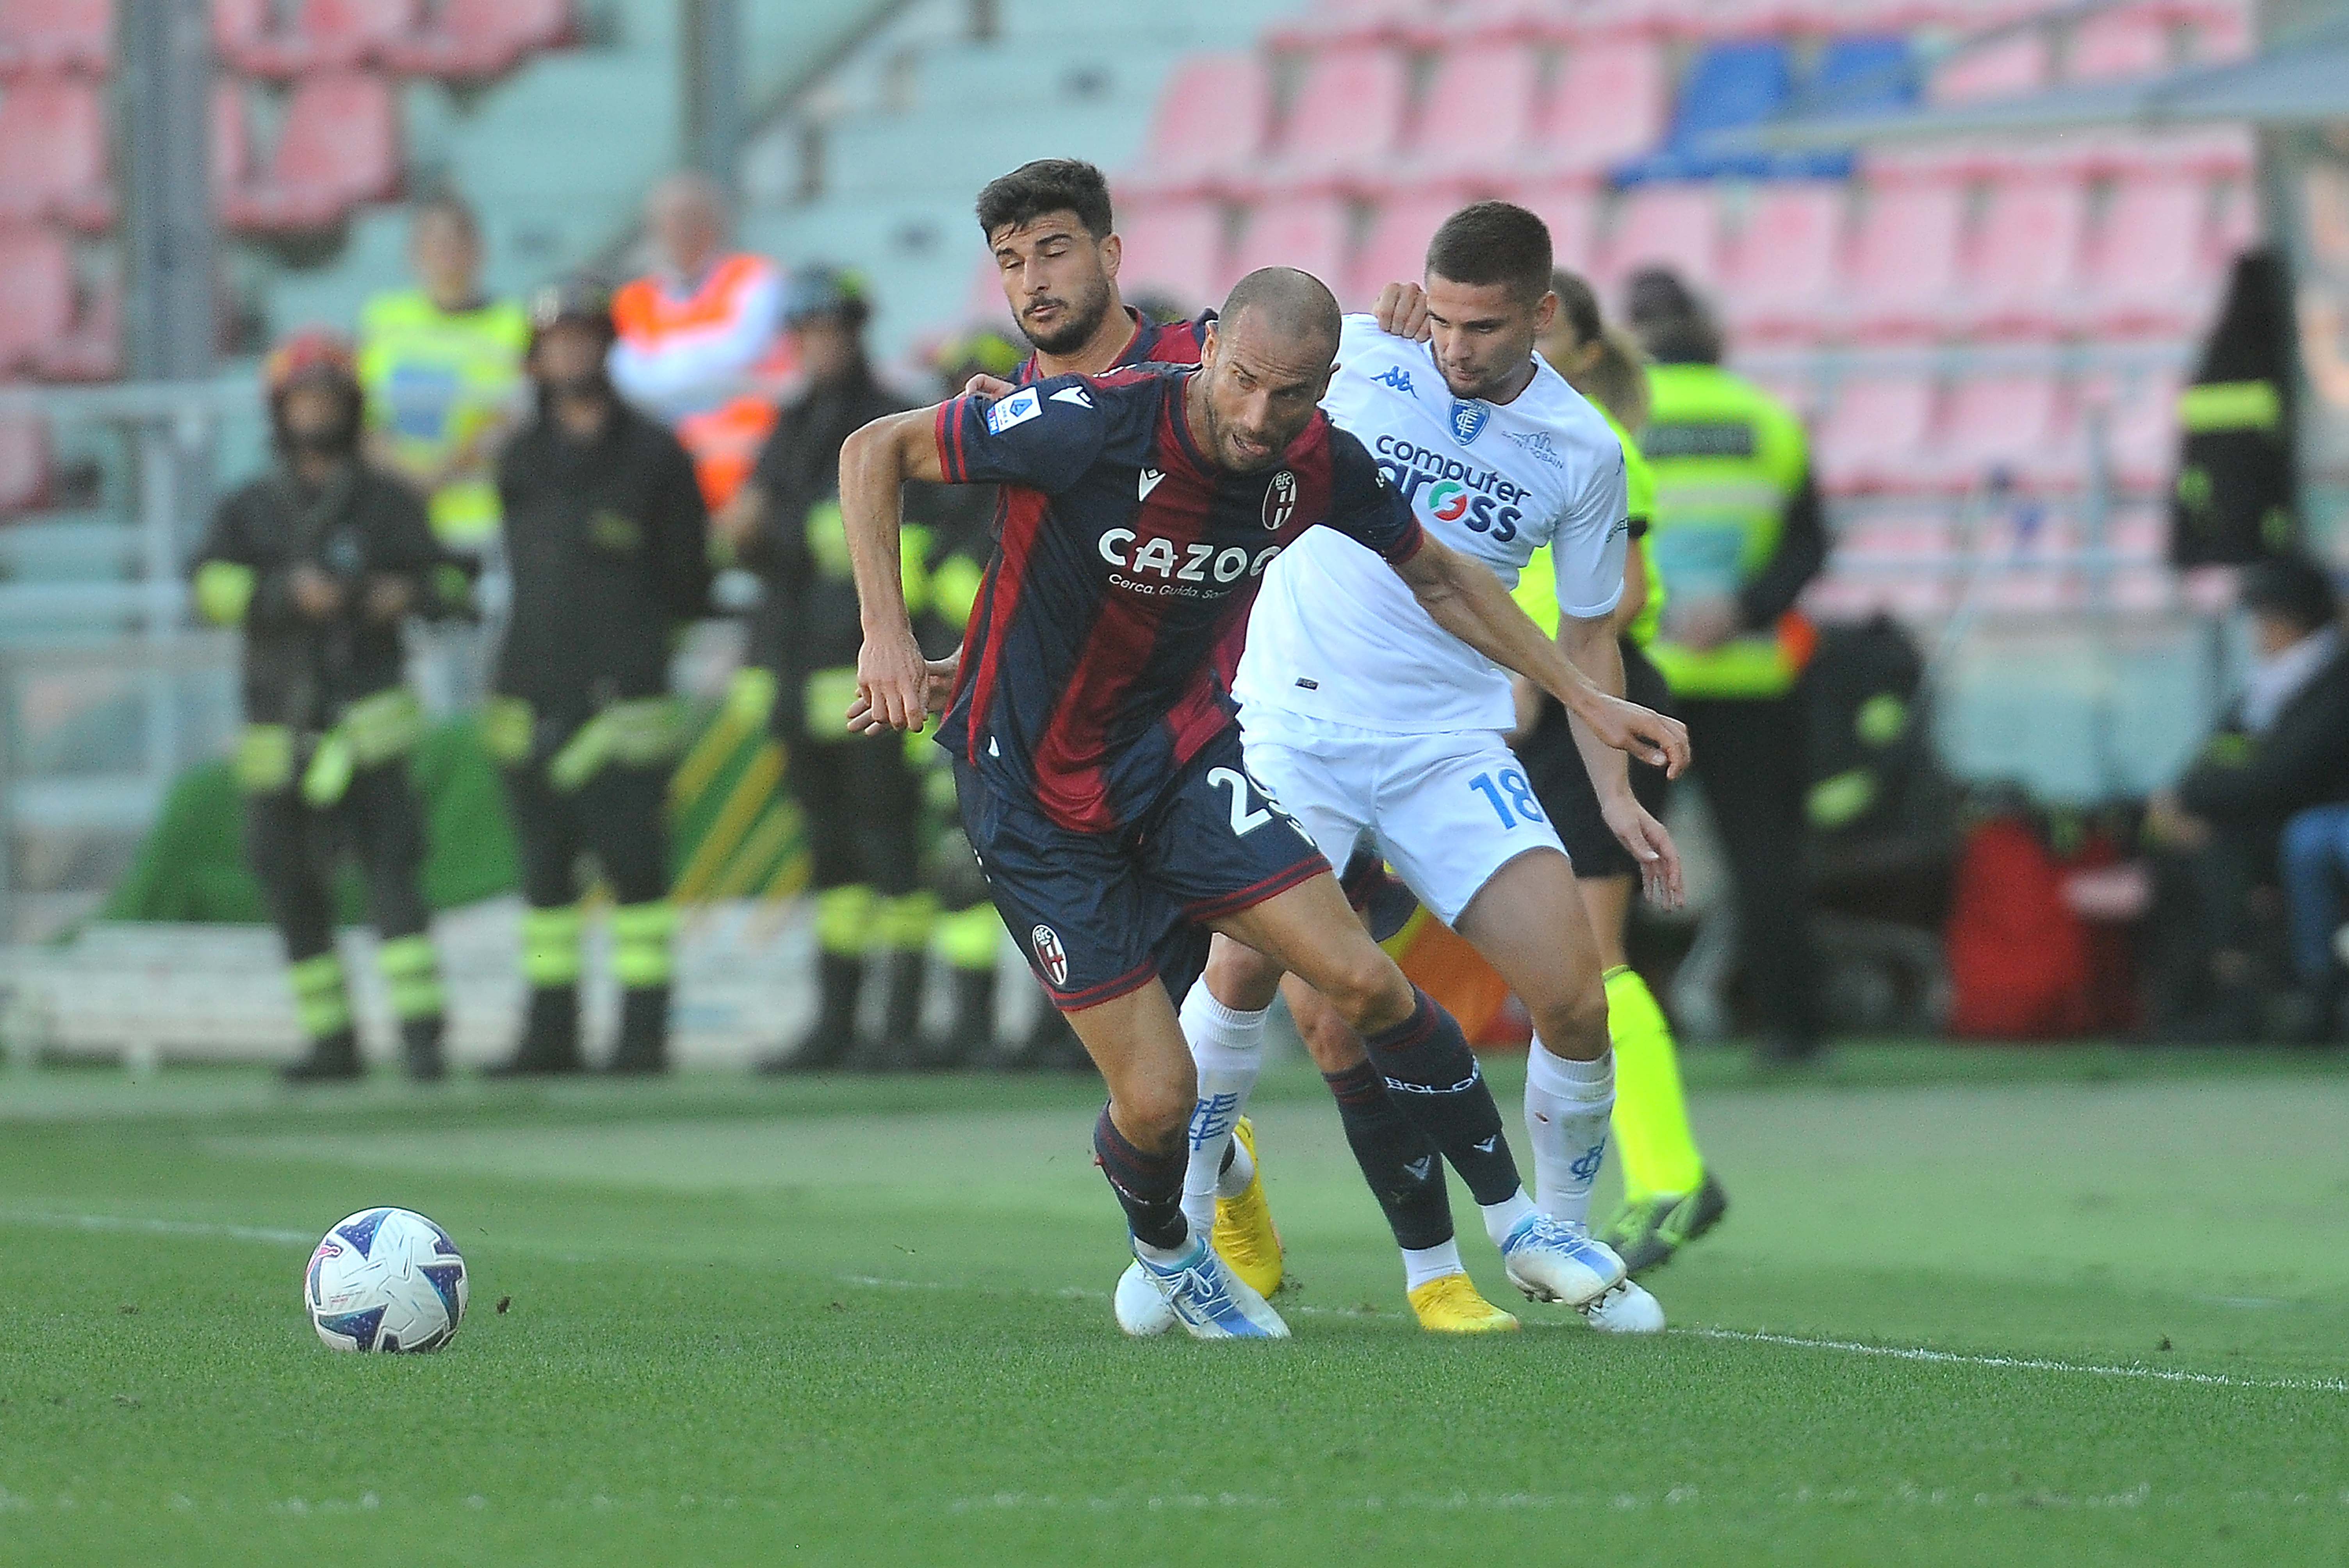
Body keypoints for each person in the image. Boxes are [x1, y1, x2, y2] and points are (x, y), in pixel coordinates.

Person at [843, 265, 1689, 1340]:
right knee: (1156, 1099)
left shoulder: (1319, 462)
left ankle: (1521, 1222)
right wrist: (886, 633)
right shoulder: (1092, 424)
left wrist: (1582, 696)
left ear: (1323, 388)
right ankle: (1169, 1250)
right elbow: (874, 451)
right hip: (1034, 797)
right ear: (1208, 354)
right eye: (1241, 382)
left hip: (1179, 770)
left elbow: (1439, 576)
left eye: (1288, 396)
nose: (1257, 416)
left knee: (1360, 980)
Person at [1158, 206, 1684, 1336]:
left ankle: (1560, 1241)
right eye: (1440, 317)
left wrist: (1615, 798)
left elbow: (1591, 638)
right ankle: (1185, 1237)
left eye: (1484, 326)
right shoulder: (1357, 353)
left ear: (1543, 315)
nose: (1453, 345)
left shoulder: (1585, 450)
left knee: (1575, 998)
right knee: (1244, 980)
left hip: (1450, 745)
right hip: (1296, 726)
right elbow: (1221, 394)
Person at [1516, 269, 1727, 1274]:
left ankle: (1669, 1176)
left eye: (1533, 334)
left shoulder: (1600, 450)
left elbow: (1622, 589)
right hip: (1551, 694)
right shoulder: (1532, 444)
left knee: (1595, 954)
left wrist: (1541, 674)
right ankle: (1648, 1176)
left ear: (1577, 350)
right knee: (1567, 957)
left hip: (1593, 698)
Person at [191, 331, 458, 1083]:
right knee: (287, 884)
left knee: (394, 882)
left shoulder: (386, 503)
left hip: (368, 729)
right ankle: (330, 1041)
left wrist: (403, 594)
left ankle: (422, 1040)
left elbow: (449, 584)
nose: (316, 413)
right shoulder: (249, 506)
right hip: (281, 729)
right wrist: (282, 594)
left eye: (329, 399)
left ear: (351, 407)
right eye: (303, 400)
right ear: (281, 409)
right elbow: (208, 586)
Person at [483, 279, 711, 1075]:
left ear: (605, 348)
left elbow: (692, 582)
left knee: (636, 879)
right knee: (543, 885)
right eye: (555, 343)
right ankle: (547, 1037)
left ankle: (642, 1041)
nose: (568, 355)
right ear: (536, 359)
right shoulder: (517, 456)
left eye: (582, 339)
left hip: (626, 700)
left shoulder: (655, 454)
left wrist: (634, 646)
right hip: (533, 689)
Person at [716, 267, 937, 1073]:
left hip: (868, 672)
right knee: (834, 859)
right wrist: (746, 532)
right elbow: (760, 531)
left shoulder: (888, 417)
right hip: (795, 670)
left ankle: (904, 1024)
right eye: (805, 331)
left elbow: (881, 533)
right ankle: (840, 1021)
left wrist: (780, 528)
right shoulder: (790, 424)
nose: (818, 343)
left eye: (830, 328)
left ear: (854, 330)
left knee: (891, 852)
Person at [1624, 267, 1829, 1064]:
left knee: (1620, 855)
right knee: (1766, 857)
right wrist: (1741, 611)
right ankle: (1790, 1030)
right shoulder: (1768, 421)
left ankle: (1620, 1030)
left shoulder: (1617, 420)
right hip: (1750, 673)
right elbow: (1810, 546)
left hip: (1643, 678)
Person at [2146, 553, 2349, 1042]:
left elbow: (2284, 775)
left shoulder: (2333, 682)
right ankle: (2183, 1002)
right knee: (2164, 846)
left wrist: (2196, 801)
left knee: (2221, 848)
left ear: (2291, 619)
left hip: (2286, 818)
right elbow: (2218, 753)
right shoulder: (2268, 685)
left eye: (2264, 617)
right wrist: (2179, 799)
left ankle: (2246, 1000)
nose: (2258, 630)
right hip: (2252, 818)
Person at [355, 193, 531, 561]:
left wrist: (443, 472)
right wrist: (405, 473)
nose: (445, 253)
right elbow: (361, 411)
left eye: (456, 241)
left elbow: (514, 414)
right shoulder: (384, 318)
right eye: (433, 242)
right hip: (393, 514)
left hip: (483, 516)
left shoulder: (513, 325)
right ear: (413, 252)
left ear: (478, 249)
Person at [609, 171, 785, 508]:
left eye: (691, 218)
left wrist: (661, 362)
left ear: (716, 222)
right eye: (669, 220)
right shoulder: (633, 299)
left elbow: (742, 351)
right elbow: (629, 381)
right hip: (664, 481)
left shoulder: (755, 278)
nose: (680, 230)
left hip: (750, 476)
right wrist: (719, 373)